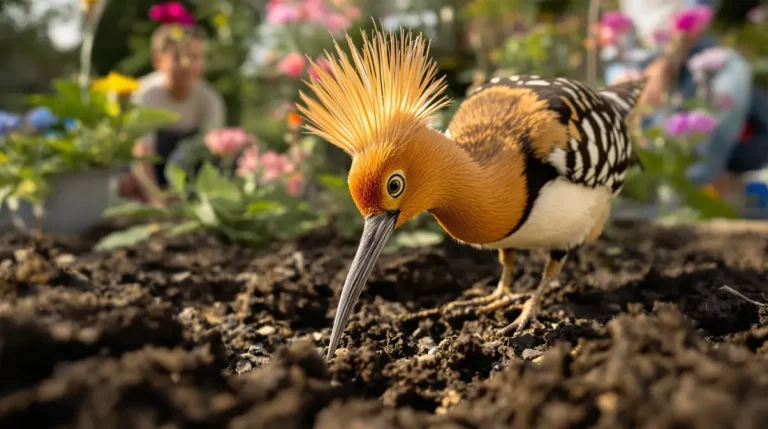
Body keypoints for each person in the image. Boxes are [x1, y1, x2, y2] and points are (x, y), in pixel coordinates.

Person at [603, 0, 768, 208]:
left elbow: (695, 15)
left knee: (734, 75)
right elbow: (612, 36)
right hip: (635, 59)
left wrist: (665, 64)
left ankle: (687, 191)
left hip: (690, 56)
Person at [119, 23, 226, 206]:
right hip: (150, 167)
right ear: (159, 61)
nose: (188, 65)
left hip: (188, 170)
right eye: (178, 58)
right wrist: (156, 199)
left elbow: (212, 151)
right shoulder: (146, 93)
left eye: (196, 57)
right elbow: (142, 152)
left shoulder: (210, 99)